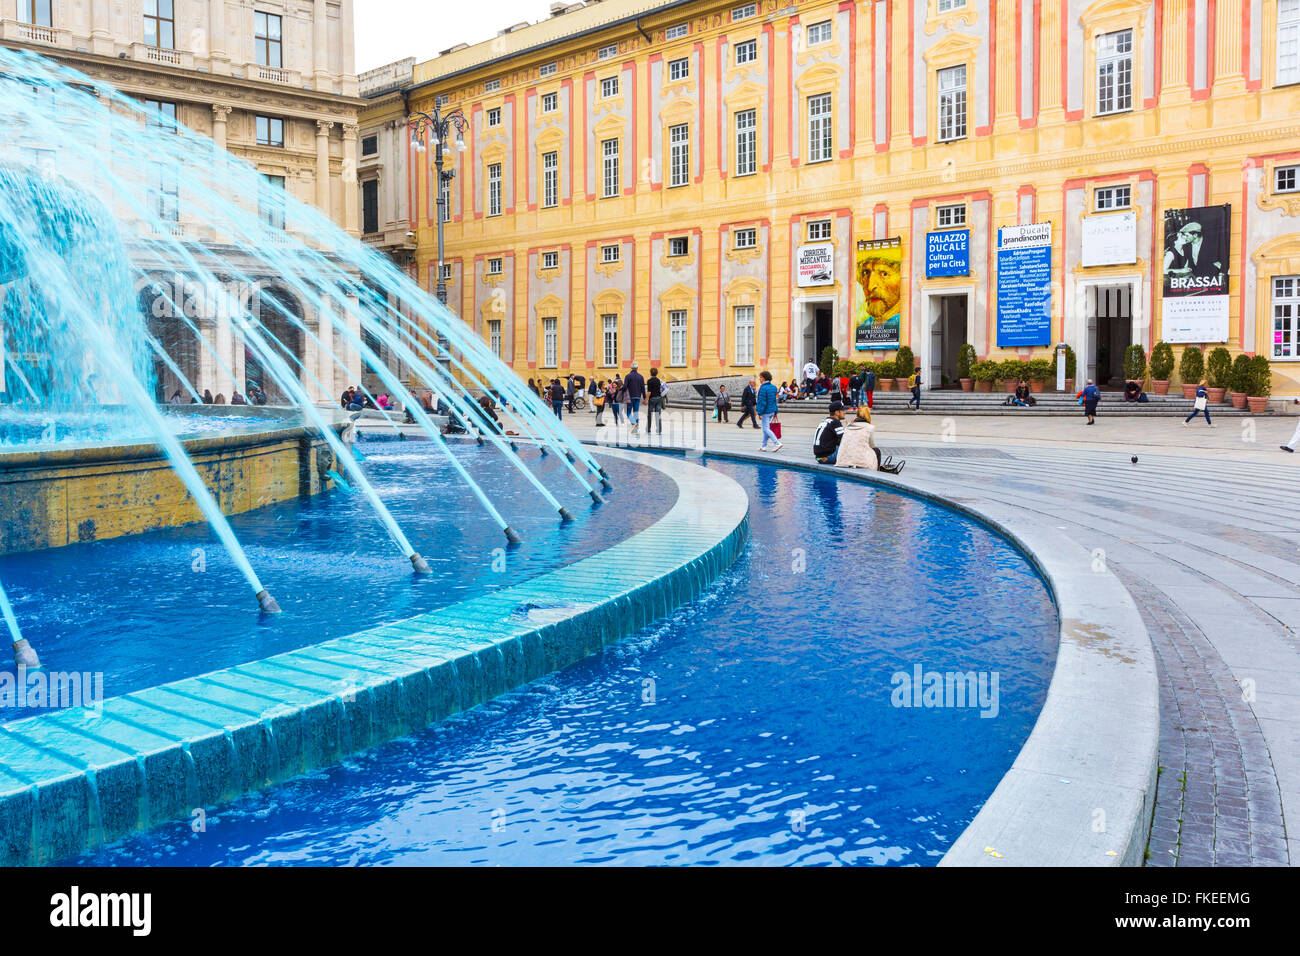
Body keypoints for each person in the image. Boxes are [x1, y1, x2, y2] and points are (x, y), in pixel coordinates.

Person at [836, 405, 877, 470]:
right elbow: (872, 445)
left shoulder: (848, 427)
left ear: (857, 415)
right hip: (862, 462)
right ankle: (876, 472)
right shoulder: (870, 427)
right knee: (877, 451)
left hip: (842, 461)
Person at [756, 370, 781, 452]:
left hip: (765, 411)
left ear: (763, 378)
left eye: (760, 377)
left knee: (766, 429)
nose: (759, 379)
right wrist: (775, 411)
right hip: (772, 411)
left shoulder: (763, 388)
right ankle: (763, 446)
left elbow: (762, 402)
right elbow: (774, 400)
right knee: (766, 428)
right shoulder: (774, 387)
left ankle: (777, 443)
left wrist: (759, 412)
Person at [623, 362, 646, 434]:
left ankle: (633, 423)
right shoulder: (641, 377)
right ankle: (636, 429)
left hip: (630, 397)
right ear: (637, 368)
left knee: (628, 412)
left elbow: (625, 387)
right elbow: (643, 388)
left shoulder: (628, 376)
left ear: (631, 368)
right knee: (636, 412)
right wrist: (645, 397)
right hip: (638, 397)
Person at [646, 367, 665, 434]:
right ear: (657, 373)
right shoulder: (659, 380)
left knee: (649, 415)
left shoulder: (649, 381)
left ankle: (648, 429)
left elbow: (649, 392)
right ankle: (659, 430)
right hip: (659, 398)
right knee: (658, 414)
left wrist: (645, 399)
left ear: (650, 373)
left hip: (652, 399)